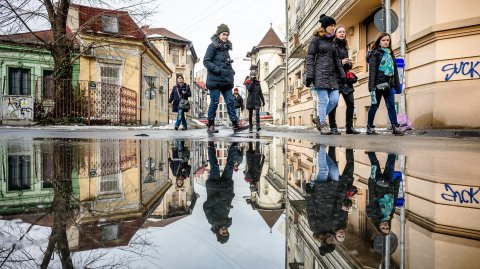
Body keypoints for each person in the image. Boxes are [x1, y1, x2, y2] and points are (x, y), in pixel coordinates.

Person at [305, 14, 346, 135]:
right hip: (320, 74)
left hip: (332, 76)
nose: (333, 28)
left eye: (334, 25)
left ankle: (318, 118)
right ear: (325, 26)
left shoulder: (332, 42)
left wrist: (342, 74)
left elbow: (337, 60)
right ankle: (323, 124)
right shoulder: (316, 40)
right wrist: (309, 75)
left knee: (334, 100)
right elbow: (310, 58)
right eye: (332, 25)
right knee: (323, 100)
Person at [203, 24, 247, 133]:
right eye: (223, 34)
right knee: (214, 102)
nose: (225, 36)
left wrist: (231, 71)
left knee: (231, 102)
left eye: (227, 34)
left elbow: (227, 63)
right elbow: (206, 61)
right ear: (218, 34)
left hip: (226, 81)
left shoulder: (226, 49)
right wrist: (217, 70)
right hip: (214, 80)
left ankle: (235, 124)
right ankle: (211, 124)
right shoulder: (212, 46)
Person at [366, 33, 404, 135]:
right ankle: (369, 127)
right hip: (377, 86)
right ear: (379, 41)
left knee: (391, 106)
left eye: (387, 40)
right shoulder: (375, 54)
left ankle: (395, 127)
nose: (386, 42)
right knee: (374, 106)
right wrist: (372, 87)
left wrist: (397, 85)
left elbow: (395, 71)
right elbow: (372, 72)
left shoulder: (390, 53)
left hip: (389, 85)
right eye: (383, 40)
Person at [328, 25, 360, 135]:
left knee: (351, 103)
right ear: (335, 34)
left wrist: (348, 63)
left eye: (343, 32)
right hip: (335, 79)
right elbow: (330, 63)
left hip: (345, 79)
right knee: (334, 103)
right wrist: (341, 62)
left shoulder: (345, 46)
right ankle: (333, 127)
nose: (342, 33)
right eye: (340, 32)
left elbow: (345, 65)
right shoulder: (332, 46)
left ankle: (349, 127)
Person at [203, 141, 237, 244]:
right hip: (226, 187)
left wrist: (218, 197)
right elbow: (226, 205)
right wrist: (231, 196)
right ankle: (234, 146)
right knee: (230, 166)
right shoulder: (226, 221)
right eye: (227, 232)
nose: (225, 230)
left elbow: (206, 206)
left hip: (215, 186)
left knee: (215, 166)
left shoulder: (212, 221)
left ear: (218, 233)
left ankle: (210, 146)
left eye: (223, 233)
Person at [366, 152, 400, 235]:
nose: (385, 226)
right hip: (389, 183)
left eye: (383, 228)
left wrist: (372, 181)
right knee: (391, 162)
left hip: (377, 183)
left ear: (378, 226)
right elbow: (394, 199)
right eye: (387, 228)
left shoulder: (374, 215)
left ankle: (370, 147)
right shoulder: (390, 215)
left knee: (374, 163)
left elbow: (372, 196)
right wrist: (397, 184)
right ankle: (392, 144)